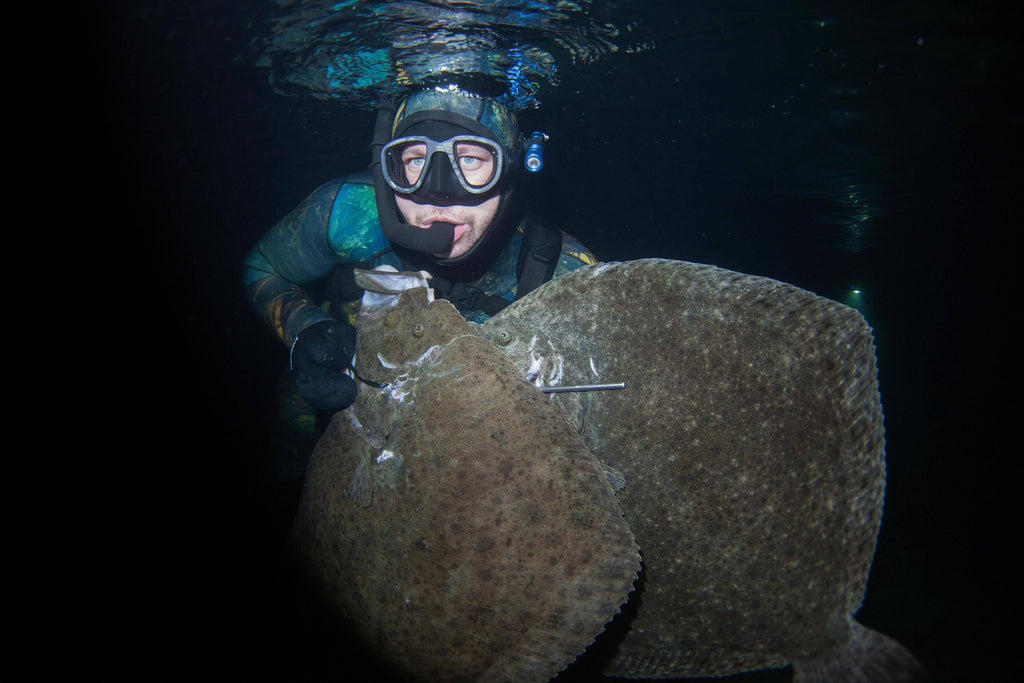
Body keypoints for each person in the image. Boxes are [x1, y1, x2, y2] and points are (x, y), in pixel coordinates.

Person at [242, 84, 598, 428]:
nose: (438, 192)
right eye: (415, 160)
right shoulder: (347, 210)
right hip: (314, 428)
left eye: (471, 159)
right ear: (388, 166)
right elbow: (261, 267)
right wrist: (303, 328)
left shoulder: (569, 272)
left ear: (510, 168)